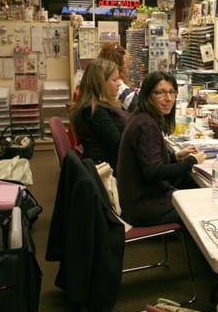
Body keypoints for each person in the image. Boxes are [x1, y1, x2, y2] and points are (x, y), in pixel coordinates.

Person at [117, 72, 206, 227]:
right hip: (144, 207)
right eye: (160, 93)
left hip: (138, 200)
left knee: (195, 189)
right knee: (202, 205)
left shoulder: (142, 117)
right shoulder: (146, 125)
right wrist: (191, 161)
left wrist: (176, 157)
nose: (168, 99)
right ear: (147, 95)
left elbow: (148, 161)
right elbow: (154, 172)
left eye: (171, 92)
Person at [71, 58, 127, 172]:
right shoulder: (95, 111)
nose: (119, 83)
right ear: (101, 83)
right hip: (109, 171)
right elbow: (119, 145)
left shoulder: (97, 106)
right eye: (114, 80)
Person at [98, 42, 138, 111]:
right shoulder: (120, 88)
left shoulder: (102, 80)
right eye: (123, 63)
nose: (126, 66)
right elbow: (137, 106)